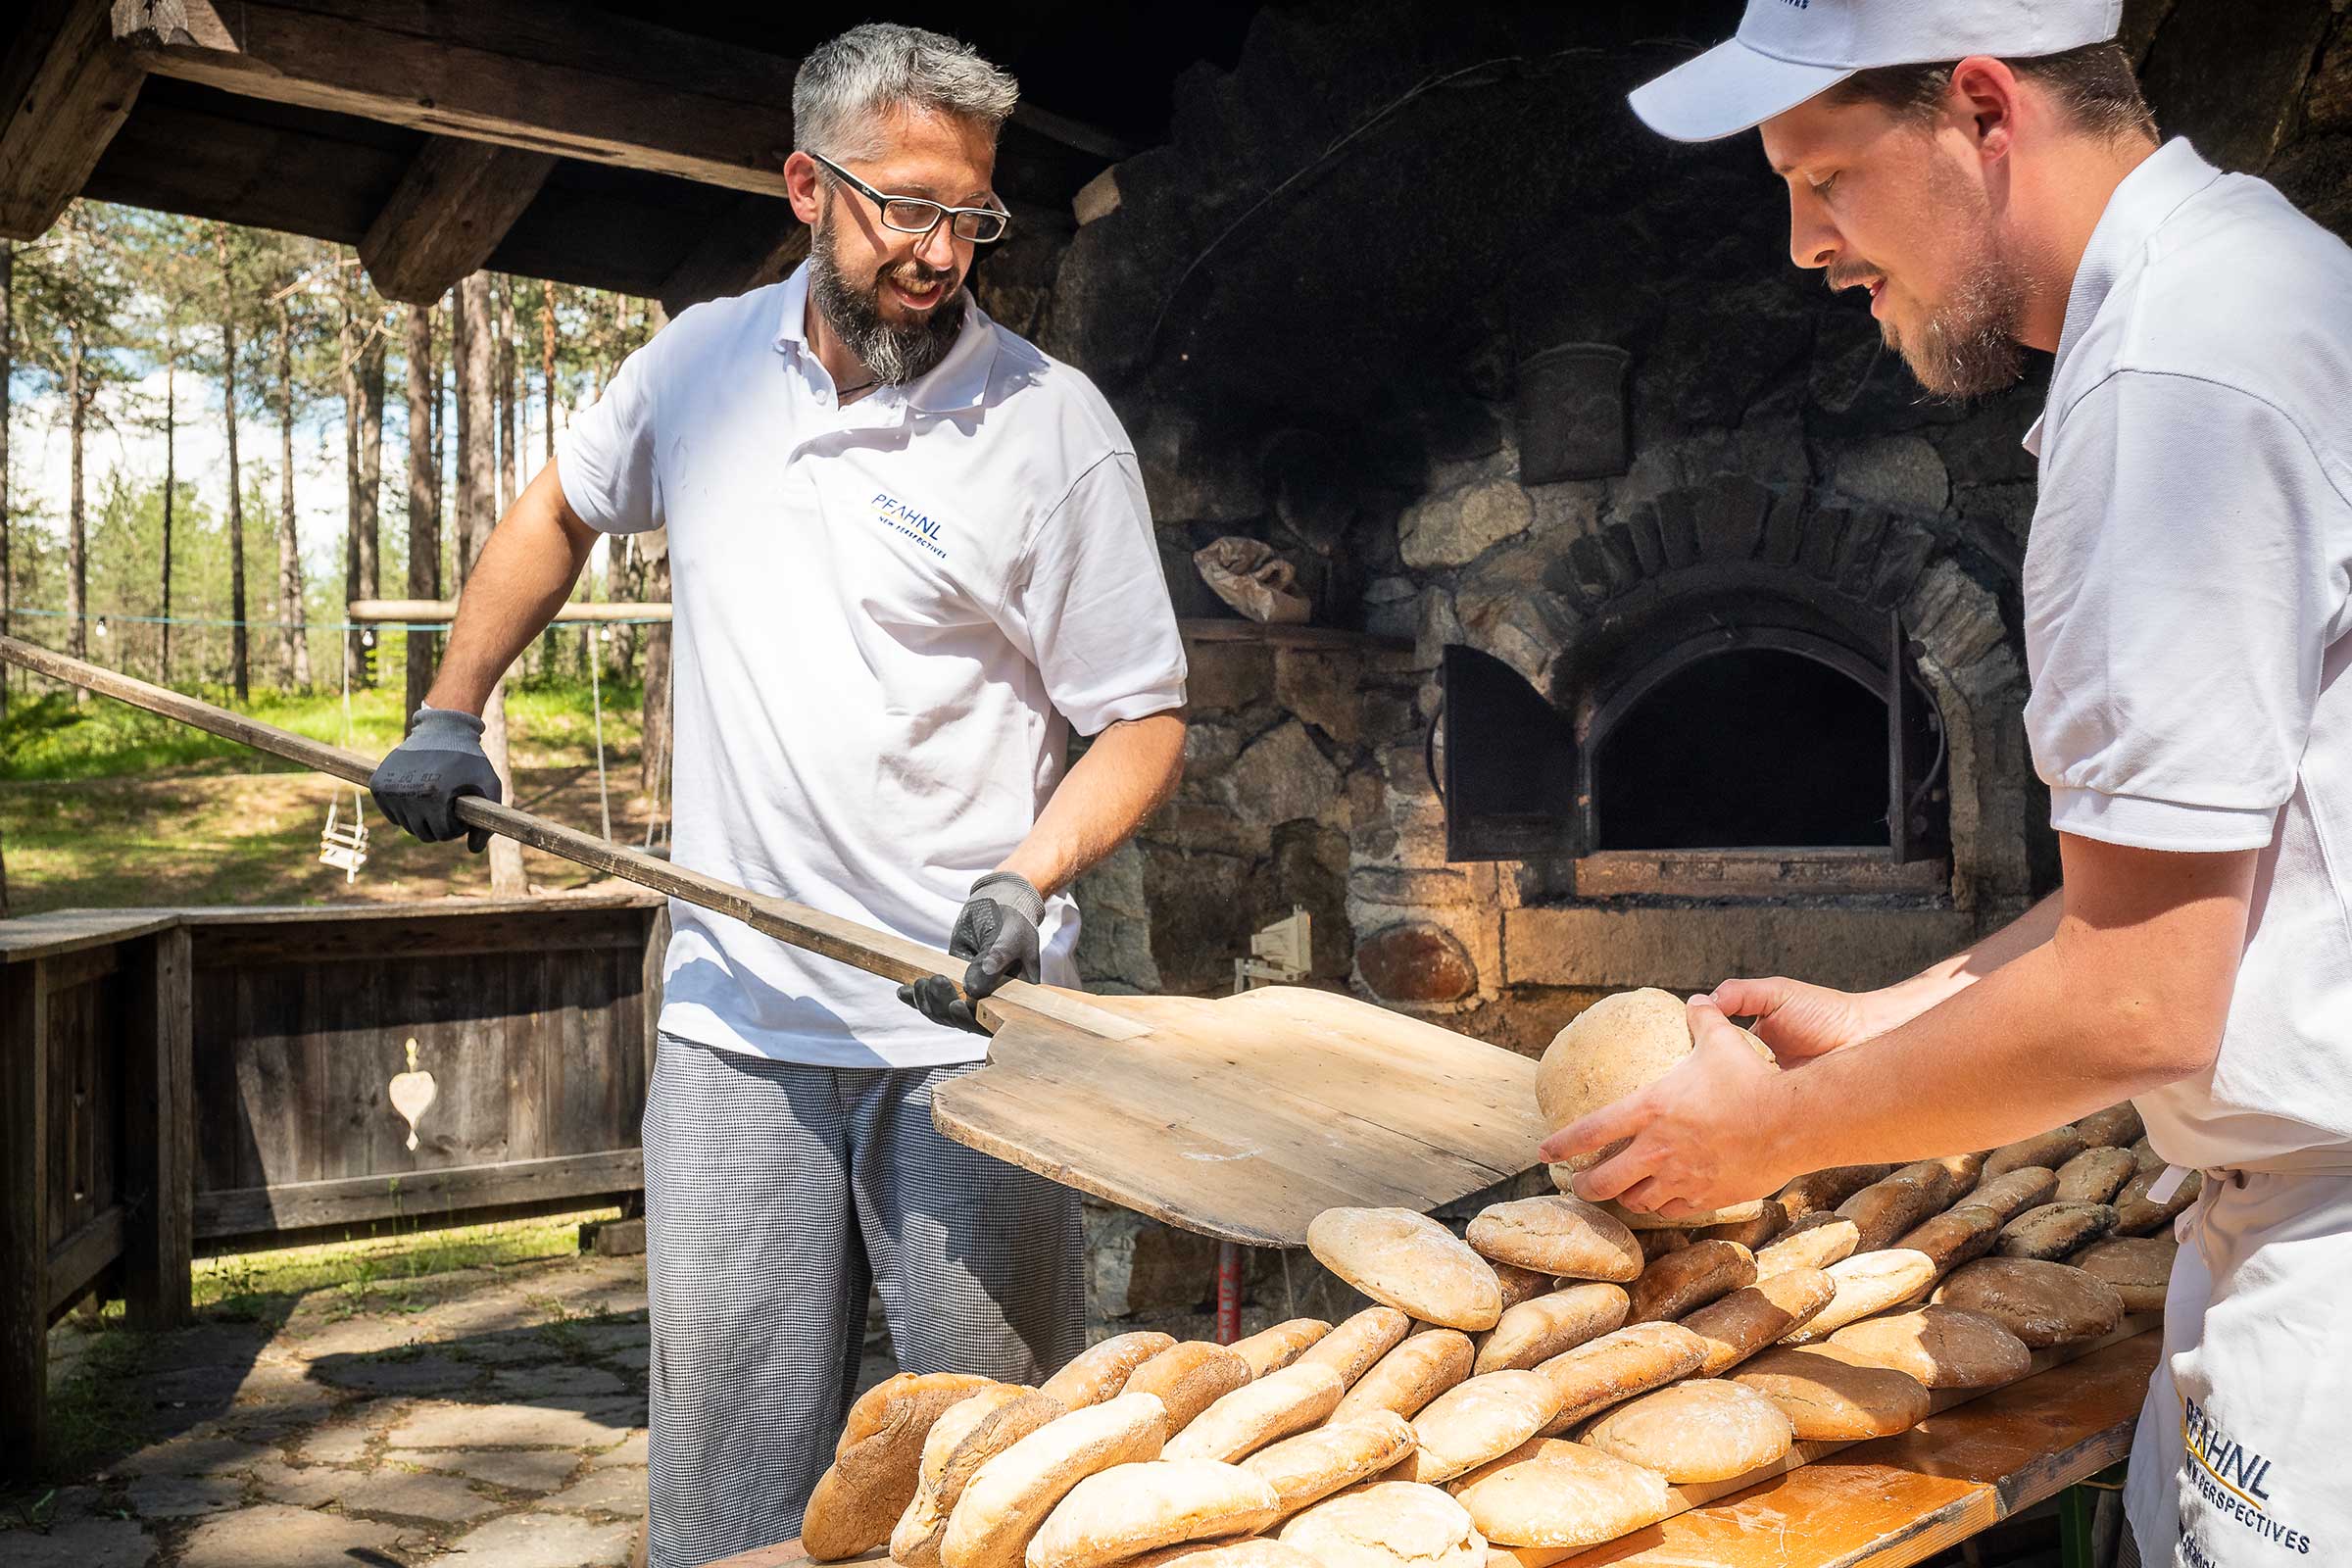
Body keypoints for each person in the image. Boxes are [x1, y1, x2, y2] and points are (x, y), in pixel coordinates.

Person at [1540, 5, 2352, 1564]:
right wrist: (1884, 1018)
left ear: (1983, 110)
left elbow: (2139, 1003)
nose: (1802, 245)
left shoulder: (2172, 386)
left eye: (1825, 175)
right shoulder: (2254, 281)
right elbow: (2194, 874)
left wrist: (1760, 1142)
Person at [368, 24, 1188, 1566]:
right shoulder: (697, 366)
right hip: (736, 1026)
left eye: (973, 218)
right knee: (731, 1493)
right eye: (906, 208)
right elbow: (558, 506)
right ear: (806, 185)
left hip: (971, 1037)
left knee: (994, 1485)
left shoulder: (1052, 427)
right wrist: (448, 710)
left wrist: (1033, 872)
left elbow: (1141, 718)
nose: (943, 254)